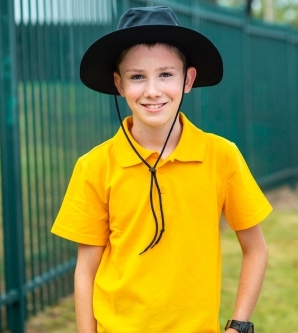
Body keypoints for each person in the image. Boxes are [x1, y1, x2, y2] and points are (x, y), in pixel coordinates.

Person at [51, 7, 272, 333]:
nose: (152, 91)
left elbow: (256, 249)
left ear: (188, 80)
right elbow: (86, 270)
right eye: (137, 76)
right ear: (119, 84)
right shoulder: (94, 166)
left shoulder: (221, 156)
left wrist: (238, 326)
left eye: (166, 74)